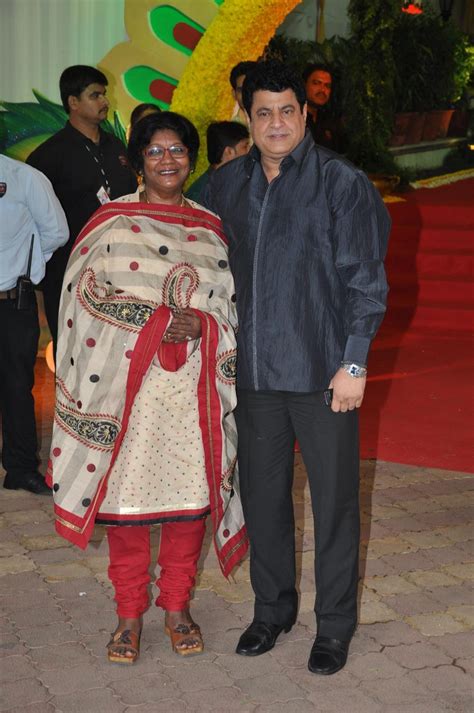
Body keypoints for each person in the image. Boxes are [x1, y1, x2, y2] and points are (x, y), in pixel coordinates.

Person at [206, 61, 390, 675]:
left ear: (305, 114)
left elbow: (366, 281)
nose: (276, 123)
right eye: (263, 113)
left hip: (322, 375)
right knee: (263, 501)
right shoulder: (226, 185)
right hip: (255, 378)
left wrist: (355, 362)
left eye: (287, 110)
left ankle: (334, 626)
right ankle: (273, 610)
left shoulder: (341, 182)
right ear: (248, 118)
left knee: (335, 505)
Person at [46, 111, 248, 663]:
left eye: (178, 149)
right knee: (126, 507)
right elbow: (81, 300)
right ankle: (129, 616)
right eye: (155, 151)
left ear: (191, 158)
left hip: (191, 393)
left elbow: (229, 310)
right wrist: (157, 320)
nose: (167, 159)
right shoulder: (110, 223)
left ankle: (178, 606)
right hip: (123, 393)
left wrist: (202, 325)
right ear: (137, 161)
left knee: (189, 503)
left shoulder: (210, 228)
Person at [27, 65, 137, 355]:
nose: (105, 101)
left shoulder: (119, 148)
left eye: (104, 94)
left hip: (121, 270)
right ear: (73, 102)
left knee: (116, 355)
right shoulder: (47, 156)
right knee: (74, 356)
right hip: (68, 273)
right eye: (95, 95)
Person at [0, 155, 69, 495]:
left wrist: (25, 268)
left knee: (15, 387)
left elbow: (57, 231)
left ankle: (20, 468)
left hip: (11, 302)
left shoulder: (24, 178)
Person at [186, 121, 250, 203]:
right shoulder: (201, 195)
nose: (249, 151)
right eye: (245, 146)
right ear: (229, 152)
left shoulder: (227, 183)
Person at [303, 63, 344, 152]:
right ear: (304, 85)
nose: (322, 90)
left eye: (327, 86)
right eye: (317, 83)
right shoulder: (292, 118)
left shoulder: (329, 121)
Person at [229, 61, 257, 125]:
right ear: (234, 94)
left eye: (251, 89)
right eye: (241, 90)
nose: (246, 95)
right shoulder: (231, 129)